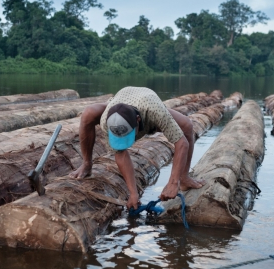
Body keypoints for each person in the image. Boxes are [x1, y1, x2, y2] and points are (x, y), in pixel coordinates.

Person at [69, 86, 205, 210]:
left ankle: (184, 177)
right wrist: (133, 193)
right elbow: (120, 154)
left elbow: (182, 144)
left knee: (187, 125)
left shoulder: (155, 111)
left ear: (138, 121)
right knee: (88, 113)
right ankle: (86, 164)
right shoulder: (107, 121)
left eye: (128, 135)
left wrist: (173, 182)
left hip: (147, 100)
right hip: (121, 99)